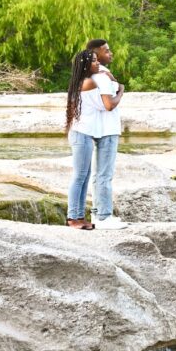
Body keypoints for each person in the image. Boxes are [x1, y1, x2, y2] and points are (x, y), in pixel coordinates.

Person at [64, 49, 114, 230]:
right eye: (93, 61)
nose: (97, 63)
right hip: (81, 134)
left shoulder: (84, 81)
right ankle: (72, 217)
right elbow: (107, 102)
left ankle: (78, 216)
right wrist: (118, 88)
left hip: (83, 134)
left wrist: (102, 73)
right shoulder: (89, 82)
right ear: (85, 65)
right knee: (79, 177)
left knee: (84, 177)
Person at [84, 38, 127, 230]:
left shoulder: (95, 74)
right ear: (97, 54)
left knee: (98, 174)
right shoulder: (101, 75)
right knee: (104, 174)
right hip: (107, 129)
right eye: (107, 51)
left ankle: (97, 213)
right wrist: (121, 90)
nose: (111, 54)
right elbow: (111, 100)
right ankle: (104, 216)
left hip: (100, 127)